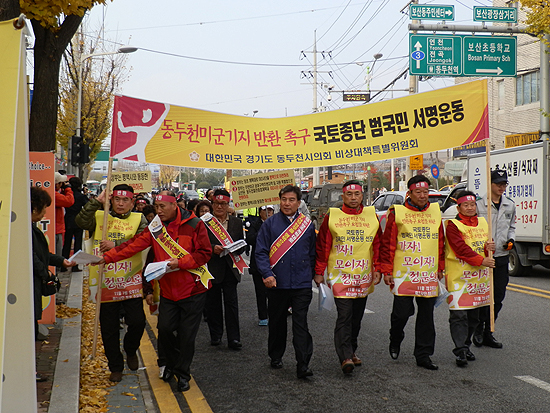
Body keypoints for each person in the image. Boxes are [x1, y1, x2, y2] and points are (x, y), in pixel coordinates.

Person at [101, 190, 211, 392]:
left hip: (193, 289)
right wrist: (108, 257)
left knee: (187, 336)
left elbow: (204, 253)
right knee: (166, 329)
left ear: (174, 206)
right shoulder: (155, 228)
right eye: (156, 206)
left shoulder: (195, 224)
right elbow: (132, 245)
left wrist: (180, 262)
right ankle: (168, 364)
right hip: (169, 290)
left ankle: (183, 373)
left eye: (162, 207)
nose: (158, 211)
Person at [76, 184, 149, 382]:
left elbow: (142, 241)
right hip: (105, 281)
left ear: (132, 202)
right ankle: (115, 366)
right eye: (117, 199)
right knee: (108, 329)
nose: (121, 204)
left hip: (130, 281)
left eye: (126, 200)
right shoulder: (100, 216)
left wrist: (115, 245)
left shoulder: (139, 219)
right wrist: (96, 202)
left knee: (137, 321)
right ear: (111, 200)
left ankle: (131, 348)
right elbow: (81, 221)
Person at [315, 180, 382, 375]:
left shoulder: (372, 217)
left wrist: (378, 268)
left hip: (363, 275)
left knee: (357, 318)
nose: (353, 198)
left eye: (357, 194)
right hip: (340, 276)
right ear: (342, 196)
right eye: (349, 194)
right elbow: (323, 246)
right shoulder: (332, 216)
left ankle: (352, 349)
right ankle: (344, 356)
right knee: (344, 316)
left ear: (363, 196)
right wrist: (319, 271)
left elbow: (377, 244)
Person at [380, 175, 444, 370]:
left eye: (426, 192)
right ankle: (395, 338)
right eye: (419, 192)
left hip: (427, 273)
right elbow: (387, 243)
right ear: (409, 193)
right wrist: (386, 270)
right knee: (401, 314)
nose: (423, 196)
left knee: (426, 316)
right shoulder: (397, 213)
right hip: (403, 273)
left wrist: (440, 266)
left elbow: (440, 242)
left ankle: (423, 354)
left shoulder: (435, 212)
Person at [255, 185, 317, 379]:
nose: (287, 203)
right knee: (277, 322)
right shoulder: (270, 224)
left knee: (300, 324)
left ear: (299, 203)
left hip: (301, 283)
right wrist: (267, 274)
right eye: (284, 199)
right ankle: (275, 355)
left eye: (291, 200)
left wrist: (315, 274)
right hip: (277, 283)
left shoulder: (307, 225)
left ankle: (303, 364)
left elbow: (313, 253)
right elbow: (261, 252)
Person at [445, 190, 495, 367]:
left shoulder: (483, 222)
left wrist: (490, 247)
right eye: (465, 205)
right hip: (459, 279)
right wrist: (483, 259)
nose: (469, 208)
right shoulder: (452, 225)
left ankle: (466, 346)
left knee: (474, 317)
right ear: (458, 207)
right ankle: (459, 351)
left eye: (472, 205)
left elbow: (486, 248)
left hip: (478, 280)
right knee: (459, 315)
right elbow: (460, 249)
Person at [31, 186, 77, 381]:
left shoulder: (31, 227)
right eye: (43, 209)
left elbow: (42, 255)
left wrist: (61, 261)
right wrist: (46, 274)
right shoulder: (23, 229)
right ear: (34, 209)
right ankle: (28, 370)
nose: (44, 214)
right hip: (29, 286)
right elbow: (33, 258)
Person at [473, 169, 516, 349]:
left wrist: (511, 241)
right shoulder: (478, 205)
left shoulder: (509, 205)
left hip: (501, 257)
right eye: (498, 183)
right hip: (483, 258)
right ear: (489, 184)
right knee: (482, 296)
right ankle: (478, 327)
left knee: (498, 296)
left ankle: (488, 331)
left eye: (504, 184)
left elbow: (511, 227)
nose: (501, 187)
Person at [203, 189, 246, 350]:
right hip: (212, 268)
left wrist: (237, 248)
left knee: (232, 305)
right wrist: (213, 248)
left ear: (228, 205)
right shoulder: (204, 222)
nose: (219, 207)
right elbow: (200, 245)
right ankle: (216, 335)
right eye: (216, 203)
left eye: (223, 204)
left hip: (231, 268)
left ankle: (234, 338)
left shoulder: (236, 222)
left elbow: (242, 243)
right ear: (212, 204)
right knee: (213, 304)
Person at [246, 205, 274, 326]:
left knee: (274, 292)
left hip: (274, 263)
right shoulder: (255, 224)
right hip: (258, 264)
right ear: (260, 212)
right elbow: (250, 239)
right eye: (265, 210)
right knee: (260, 292)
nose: (268, 212)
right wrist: (263, 229)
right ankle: (263, 316)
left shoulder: (278, 223)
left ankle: (274, 314)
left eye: (270, 210)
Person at [62, 177, 88, 264]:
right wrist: (85, 194)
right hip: (78, 220)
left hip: (68, 219)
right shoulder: (80, 196)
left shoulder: (66, 195)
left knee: (67, 242)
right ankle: (75, 264)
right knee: (78, 243)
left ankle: (63, 263)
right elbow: (88, 205)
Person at [54, 172, 74, 261]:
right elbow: (69, 201)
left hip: (56, 227)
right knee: (57, 255)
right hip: (56, 229)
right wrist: (68, 189)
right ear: (57, 184)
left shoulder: (54, 193)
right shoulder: (54, 195)